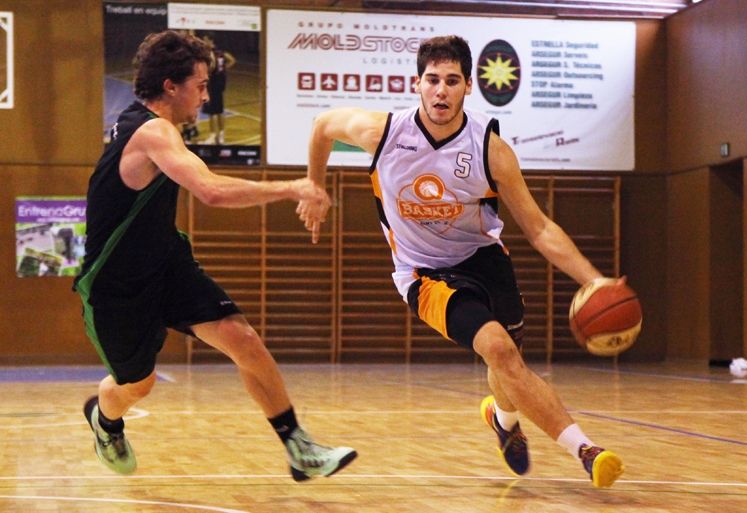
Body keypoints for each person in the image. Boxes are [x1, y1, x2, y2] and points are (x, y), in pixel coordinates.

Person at [298, 35, 624, 488]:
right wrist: (315, 188)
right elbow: (321, 125)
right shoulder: (384, 134)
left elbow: (540, 228)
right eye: (432, 80)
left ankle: (503, 420)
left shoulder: (490, 150)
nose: (441, 91)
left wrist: (597, 282)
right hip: (423, 274)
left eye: (452, 81)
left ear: (468, 87)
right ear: (417, 84)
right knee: (500, 350)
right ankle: (586, 450)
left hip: (484, 260)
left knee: (507, 364)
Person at [73, 30, 355, 480]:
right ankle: (104, 419)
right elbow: (211, 191)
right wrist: (292, 187)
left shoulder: (153, 128)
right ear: (170, 85)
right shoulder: (151, 132)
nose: (206, 96)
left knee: (242, 339)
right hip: (116, 285)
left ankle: (298, 447)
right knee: (137, 385)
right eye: (200, 85)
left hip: (165, 263)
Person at [201, 33, 236, 145]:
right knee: (219, 111)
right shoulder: (221, 53)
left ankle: (213, 135)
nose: (204, 41)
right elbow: (232, 60)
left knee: (212, 111)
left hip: (212, 84)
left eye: (205, 39)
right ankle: (220, 135)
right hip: (220, 84)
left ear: (211, 41)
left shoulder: (209, 53)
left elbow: (211, 67)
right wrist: (224, 69)